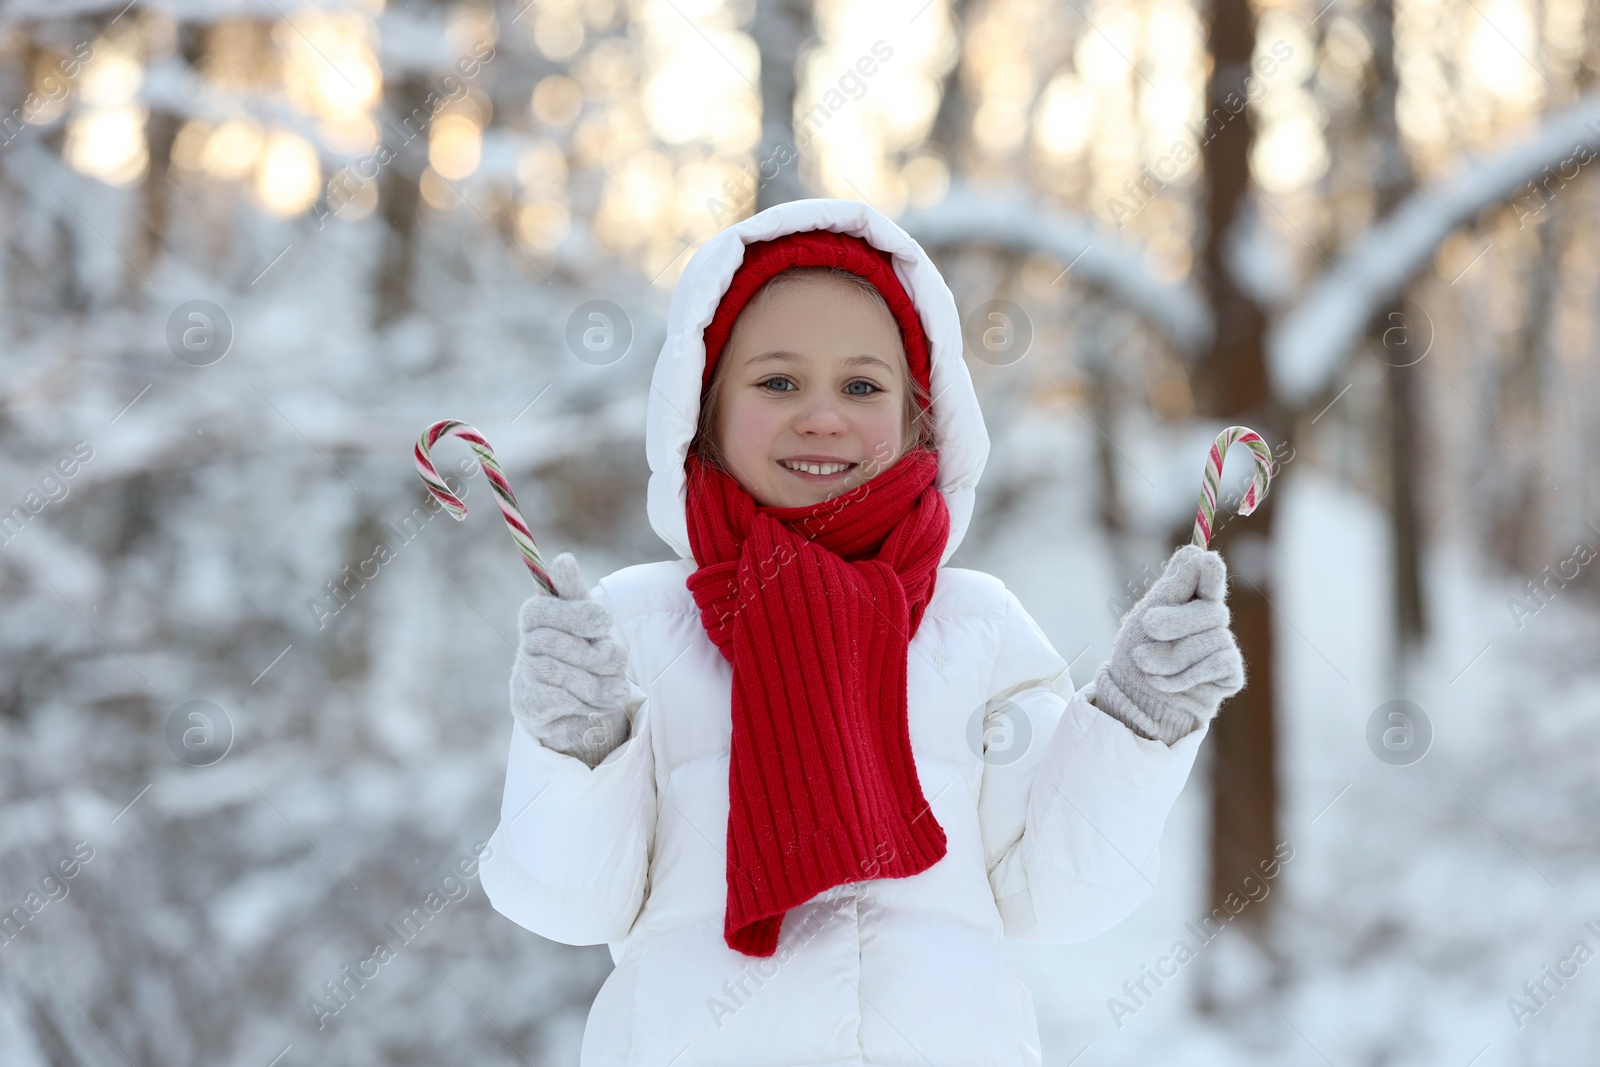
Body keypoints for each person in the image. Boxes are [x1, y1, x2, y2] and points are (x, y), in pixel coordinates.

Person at [478, 197, 1245, 1066]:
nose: (822, 415)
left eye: (861, 385)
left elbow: (1057, 894)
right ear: (703, 410)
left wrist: (1138, 722)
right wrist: (577, 747)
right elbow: (569, 902)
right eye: (776, 381)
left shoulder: (978, 629)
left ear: (923, 417)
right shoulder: (636, 628)